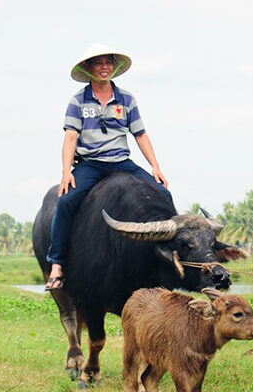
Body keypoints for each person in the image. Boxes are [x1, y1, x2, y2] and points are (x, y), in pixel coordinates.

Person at [45, 43, 171, 290]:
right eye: (98, 63)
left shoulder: (126, 99)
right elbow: (71, 137)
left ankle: (167, 258)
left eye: (108, 62)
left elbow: (140, 134)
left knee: (164, 194)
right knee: (65, 201)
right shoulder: (78, 101)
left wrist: (155, 167)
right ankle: (57, 263)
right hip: (91, 164)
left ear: (114, 66)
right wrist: (66, 172)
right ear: (89, 68)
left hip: (121, 162)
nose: (104, 67)